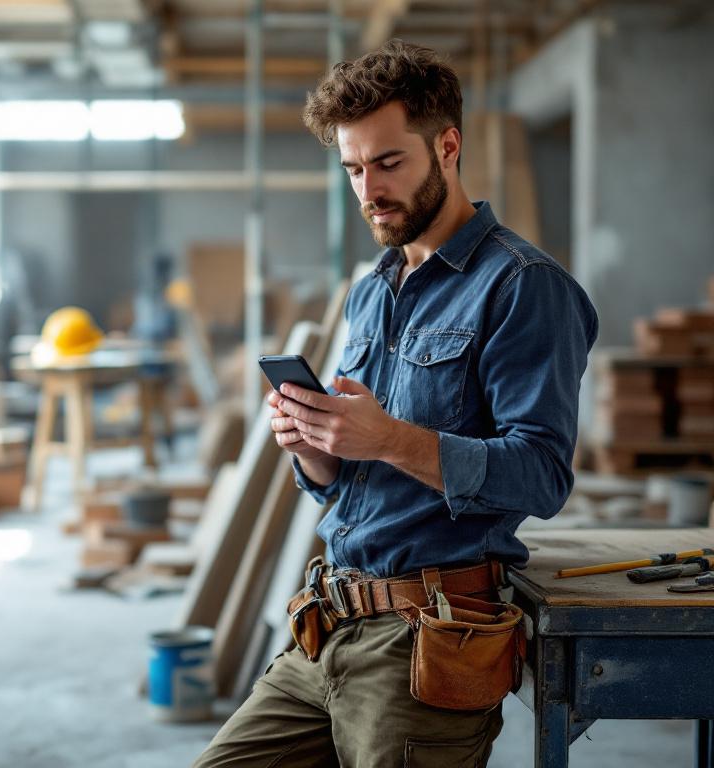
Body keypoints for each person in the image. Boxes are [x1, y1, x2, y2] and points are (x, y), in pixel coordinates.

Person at [192, 39, 598, 767]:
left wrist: (383, 438)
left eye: (387, 163)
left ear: (447, 146)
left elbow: (541, 475)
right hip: (327, 624)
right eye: (352, 168)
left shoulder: (522, 286)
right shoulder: (374, 288)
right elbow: (348, 479)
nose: (367, 190)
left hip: (429, 639)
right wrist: (316, 448)